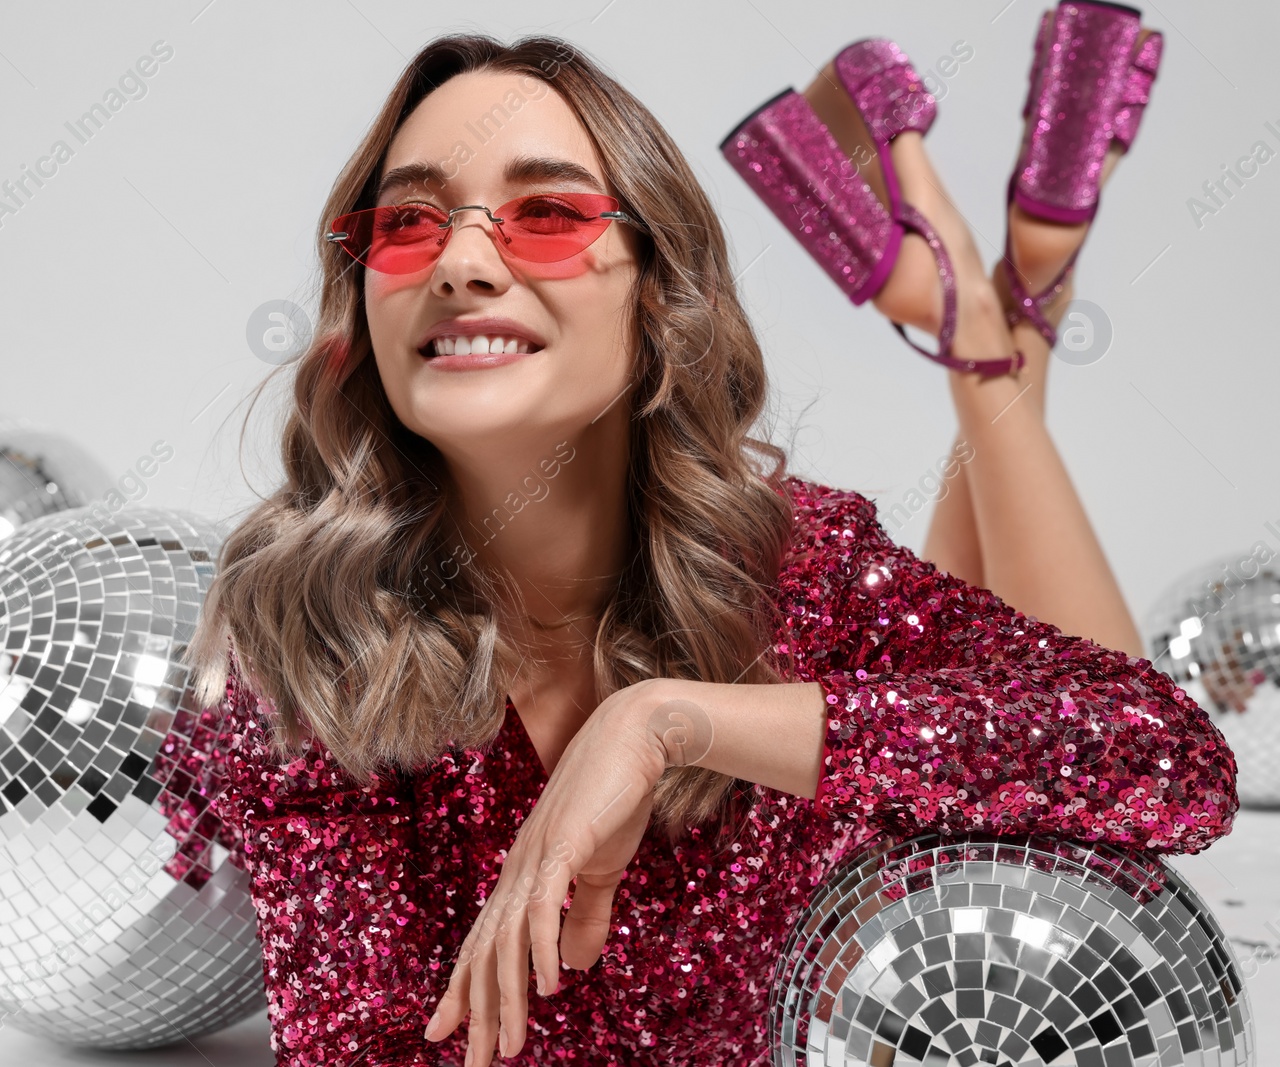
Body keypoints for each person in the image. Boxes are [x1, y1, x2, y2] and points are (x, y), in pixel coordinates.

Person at [185, 14, 1237, 1066]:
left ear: (656, 296)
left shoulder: (793, 567)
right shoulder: (307, 637)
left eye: (544, 211)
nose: (459, 260)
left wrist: (666, 721)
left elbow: (1166, 759)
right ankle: (993, 315)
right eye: (408, 222)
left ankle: (978, 321)